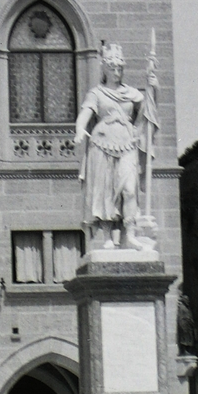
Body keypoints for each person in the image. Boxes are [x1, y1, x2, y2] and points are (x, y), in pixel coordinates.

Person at [75, 42, 152, 251]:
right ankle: (108, 236)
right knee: (106, 192)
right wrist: (80, 129)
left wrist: (155, 88)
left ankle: (130, 234)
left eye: (120, 68)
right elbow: (85, 113)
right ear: (105, 69)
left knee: (129, 190)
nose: (117, 72)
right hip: (101, 145)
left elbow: (148, 114)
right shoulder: (97, 93)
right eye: (112, 68)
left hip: (127, 144)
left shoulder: (133, 94)